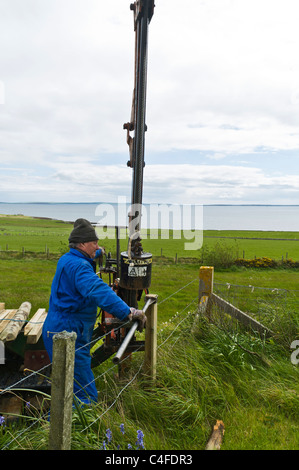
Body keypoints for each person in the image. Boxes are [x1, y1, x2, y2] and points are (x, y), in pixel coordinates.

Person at [42, 218, 146, 405]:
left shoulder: (68, 258)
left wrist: (98, 252)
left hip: (62, 326)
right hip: (68, 333)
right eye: (94, 243)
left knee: (68, 387)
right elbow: (98, 290)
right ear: (82, 244)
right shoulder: (80, 268)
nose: (97, 246)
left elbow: (91, 254)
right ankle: (68, 430)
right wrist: (128, 311)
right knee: (85, 396)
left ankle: (57, 426)